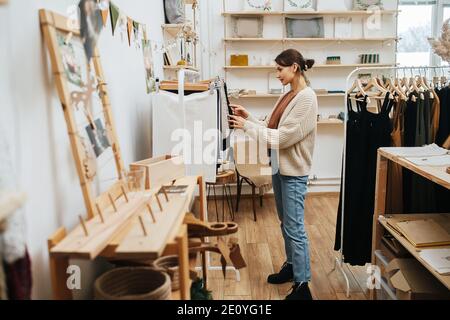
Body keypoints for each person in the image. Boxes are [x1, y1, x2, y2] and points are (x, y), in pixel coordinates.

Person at [228, 49, 318, 300]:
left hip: (293, 172)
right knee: (286, 224)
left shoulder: (307, 98)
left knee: (295, 227)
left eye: (280, 69)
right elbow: (271, 127)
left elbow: (282, 138)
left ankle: (303, 286)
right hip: (280, 168)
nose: (277, 73)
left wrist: (245, 126)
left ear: (295, 68)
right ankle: (292, 267)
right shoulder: (289, 95)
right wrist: (250, 118)